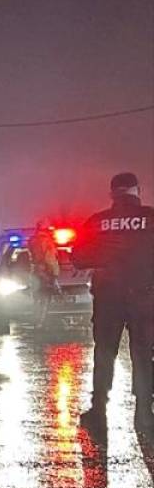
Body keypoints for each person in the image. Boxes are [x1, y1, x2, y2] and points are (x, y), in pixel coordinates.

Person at [74, 172, 154, 435]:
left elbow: (78, 257)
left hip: (108, 297)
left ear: (112, 194)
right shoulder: (151, 218)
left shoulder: (98, 222)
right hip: (144, 297)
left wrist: (105, 256)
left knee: (105, 352)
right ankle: (145, 411)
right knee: (143, 354)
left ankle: (98, 409)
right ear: (137, 190)